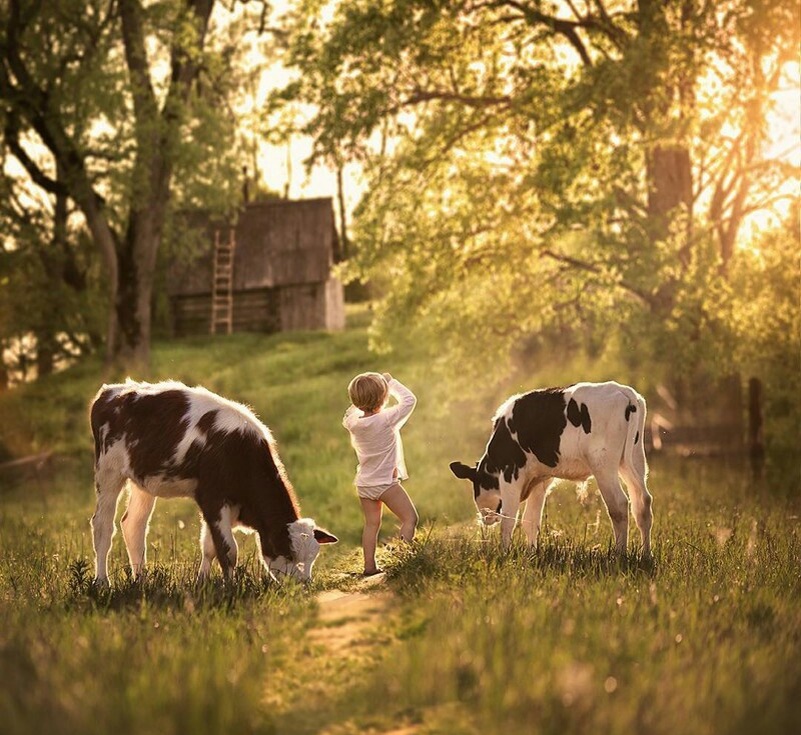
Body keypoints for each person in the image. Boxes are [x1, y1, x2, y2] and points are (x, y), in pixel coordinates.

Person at [343, 372, 419, 576]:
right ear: (383, 398)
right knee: (409, 519)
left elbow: (350, 412)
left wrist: (360, 398)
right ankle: (403, 560)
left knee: (371, 524)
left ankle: (369, 567)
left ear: (356, 402)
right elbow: (410, 400)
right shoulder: (386, 419)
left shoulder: (353, 423)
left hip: (365, 485)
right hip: (386, 484)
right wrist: (390, 382)